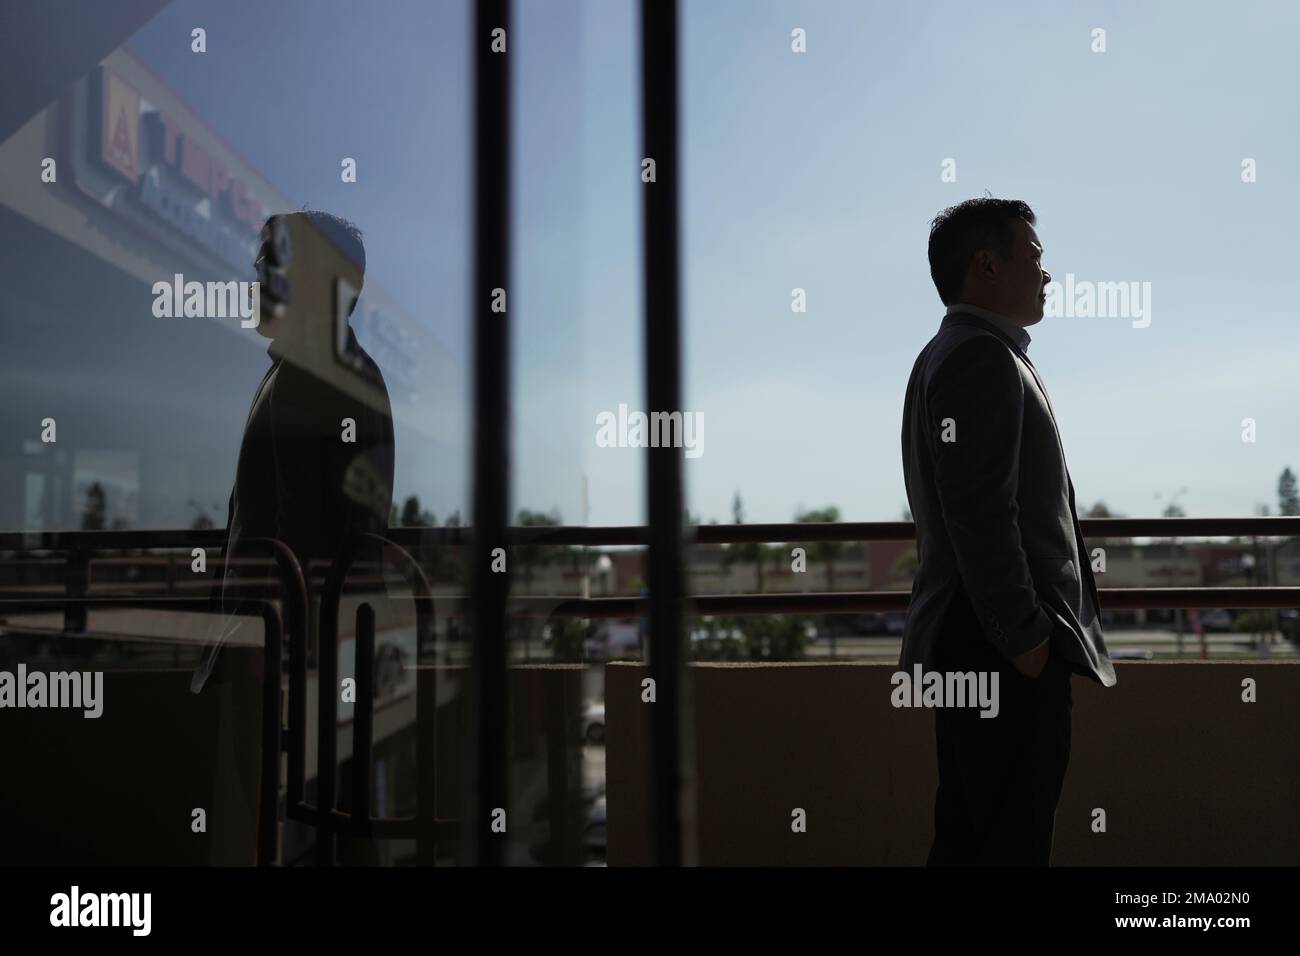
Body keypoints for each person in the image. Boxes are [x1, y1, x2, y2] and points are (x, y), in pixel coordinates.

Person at [899, 197, 1116, 866]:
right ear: (987, 266)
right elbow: (980, 514)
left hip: (985, 641)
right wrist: (1025, 641)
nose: (1048, 274)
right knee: (1008, 844)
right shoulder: (980, 359)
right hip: (998, 647)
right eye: (1035, 256)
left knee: (972, 839)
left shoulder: (958, 351)